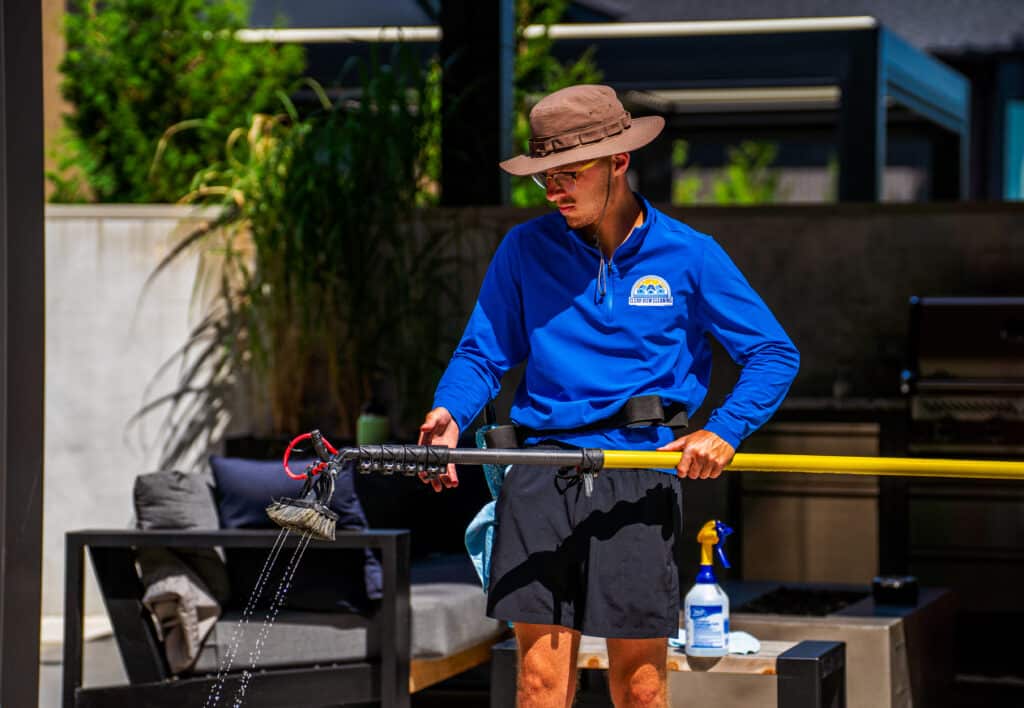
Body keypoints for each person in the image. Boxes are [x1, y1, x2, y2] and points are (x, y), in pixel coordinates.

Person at [417, 84, 799, 708]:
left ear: (618, 162)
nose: (554, 191)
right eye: (544, 178)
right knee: (539, 681)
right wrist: (448, 412)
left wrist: (724, 429)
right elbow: (482, 353)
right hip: (540, 471)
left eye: (569, 175)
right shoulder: (523, 249)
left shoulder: (690, 256)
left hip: (637, 472)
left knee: (640, 686)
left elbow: (773, 353)